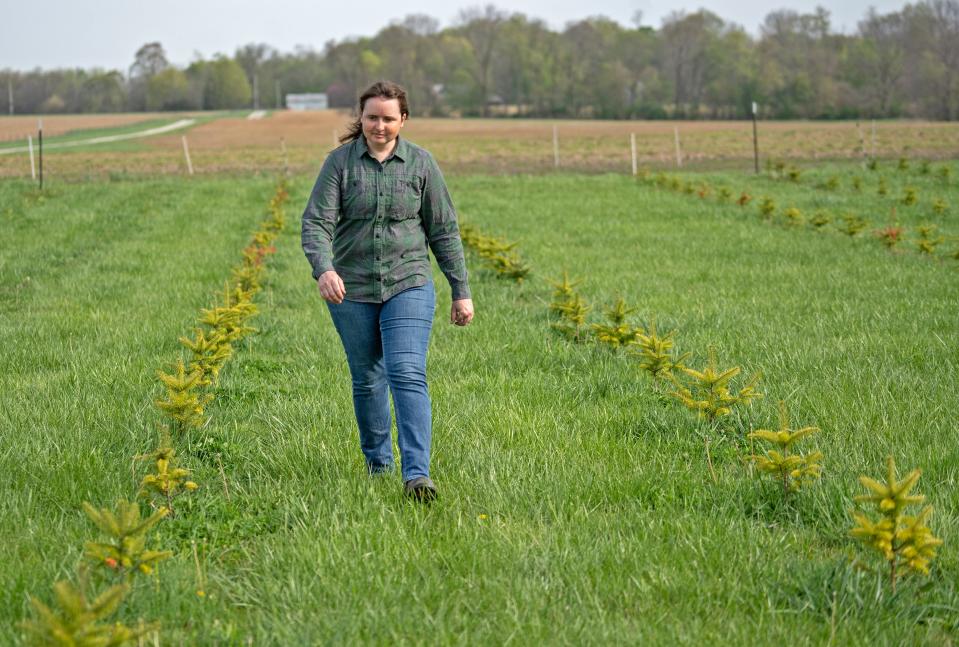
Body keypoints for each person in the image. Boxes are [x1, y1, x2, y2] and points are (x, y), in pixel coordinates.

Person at [301, 80, 473, 503]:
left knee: (406, 370)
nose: (379, 125)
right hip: (352, 288)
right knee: (367, 379)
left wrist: (460, 290)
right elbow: (316, 223)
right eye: (372, 117)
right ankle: (379, 466)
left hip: (408, 281)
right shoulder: (340, 163)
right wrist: (323, 269)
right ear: (361, 117)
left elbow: (444, 230)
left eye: (388, 118)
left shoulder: (421, 164)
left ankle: (417, 475)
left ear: (403, 120)